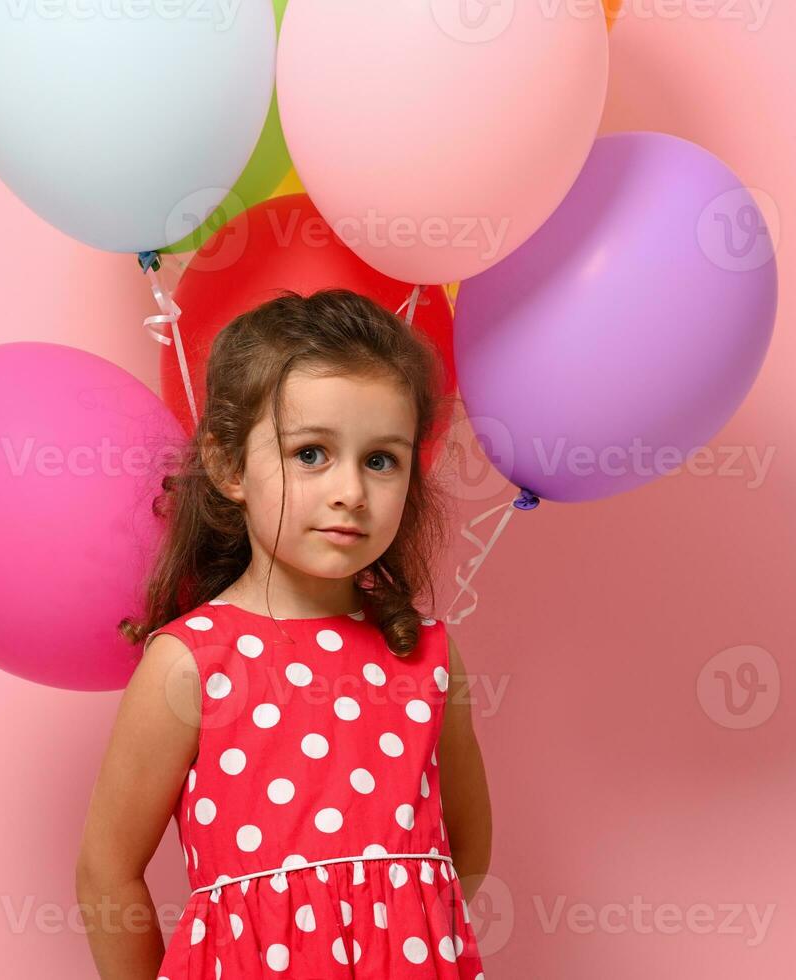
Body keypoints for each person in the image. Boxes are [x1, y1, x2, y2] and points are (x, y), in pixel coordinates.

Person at [77, 288, 492, 978]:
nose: (349, 492)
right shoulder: (191, 664)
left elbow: (463, 852)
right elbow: (106, 873)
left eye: (380, 460)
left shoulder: (423, 656)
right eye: (310, 454)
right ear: (229, 465)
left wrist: (392, 933)